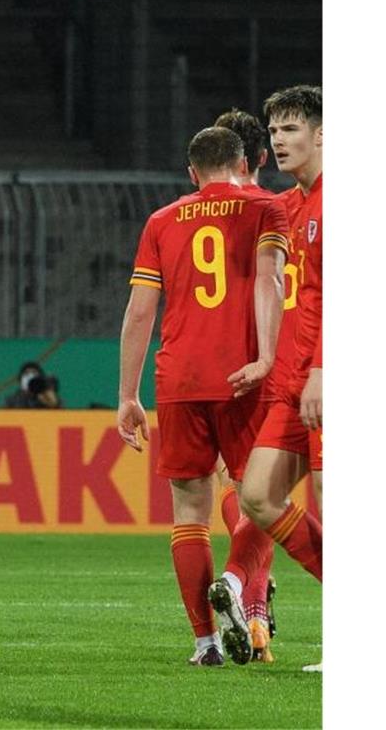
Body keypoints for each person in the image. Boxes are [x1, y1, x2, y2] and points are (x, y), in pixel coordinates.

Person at [117, 126, 288, 667]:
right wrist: (267, 356)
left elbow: (141, 311)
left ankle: (205, 642)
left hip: (179, 381)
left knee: (188, 512)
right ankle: (240, 590)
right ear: (244, 164)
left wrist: (127, 395)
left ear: (191, 173)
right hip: (244, 377)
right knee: (262, 500)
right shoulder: (266, 208)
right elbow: (271, 282)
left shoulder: (161, 221)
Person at [208, 85, 322, 671]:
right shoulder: (286, 207)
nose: (280, 140)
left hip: (308, 374)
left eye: (291, 129)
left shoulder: (329, 202)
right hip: (283, 376)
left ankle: (255, 604)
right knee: (257, 496)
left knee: (316, 502)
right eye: (274, 131)